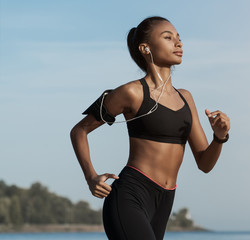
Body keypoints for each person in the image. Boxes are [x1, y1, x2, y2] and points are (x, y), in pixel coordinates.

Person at [70, 16, 231, 240]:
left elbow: (205, 163)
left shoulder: (186, 98)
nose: (178, 43)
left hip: (164, 202)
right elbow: (79, 130)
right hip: (131, 196)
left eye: (179, 38)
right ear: (145, 48)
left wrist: (220, 137)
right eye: (168, 37)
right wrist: (91, 177)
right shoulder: (132, 93)